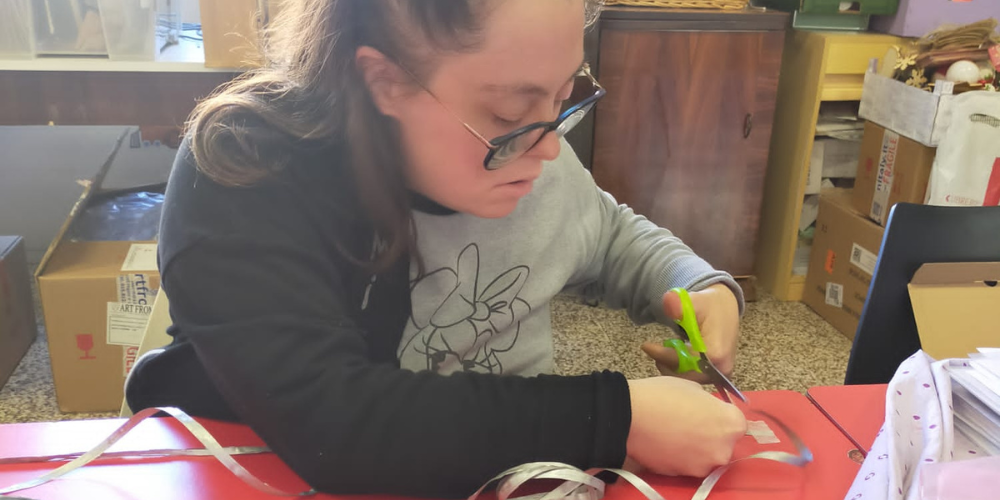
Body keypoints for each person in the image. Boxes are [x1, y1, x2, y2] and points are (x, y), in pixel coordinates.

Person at [125, 0, 747, 497]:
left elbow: (609, 235)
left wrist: (695, 285)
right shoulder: (245, 170)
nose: (550, 147)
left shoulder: (533, 158)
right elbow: (335, 425)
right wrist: (614, 419)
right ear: (385, 80)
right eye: (509, 111)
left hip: (504, 472)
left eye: (564, 97)